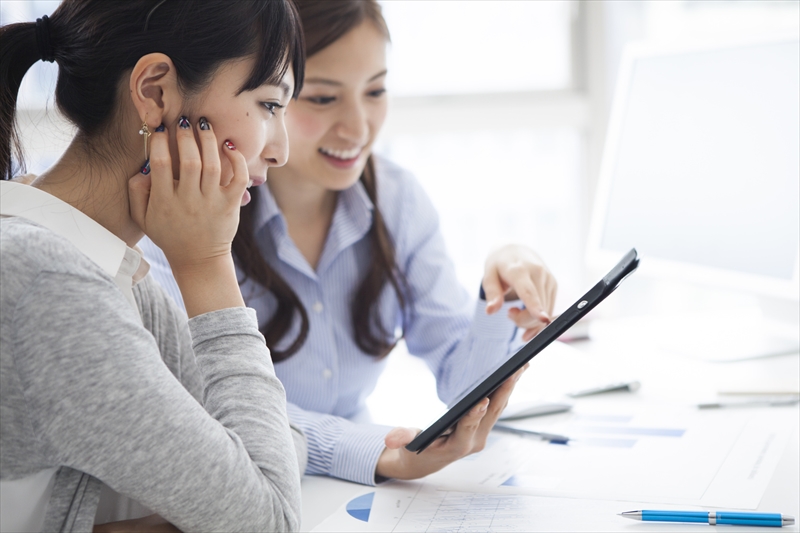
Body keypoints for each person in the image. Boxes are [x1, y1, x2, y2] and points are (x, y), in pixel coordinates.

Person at [140, 0, 557, 486]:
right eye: (321, 98)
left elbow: (463, 385)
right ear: (266, 99)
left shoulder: (396, 200)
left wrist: (500, 295)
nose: (359, 129)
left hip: (360, 490)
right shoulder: (182, 217)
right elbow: (206, 400)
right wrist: (369, 452)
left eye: (376, 90)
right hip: (252, 486)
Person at [0, 1, 307, 531]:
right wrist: (207, 265)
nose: (280, 150)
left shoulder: (114, 274)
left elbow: (277, 449)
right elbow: (269, 518)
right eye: (268, 104)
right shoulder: (46, 280)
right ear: (155, 93)